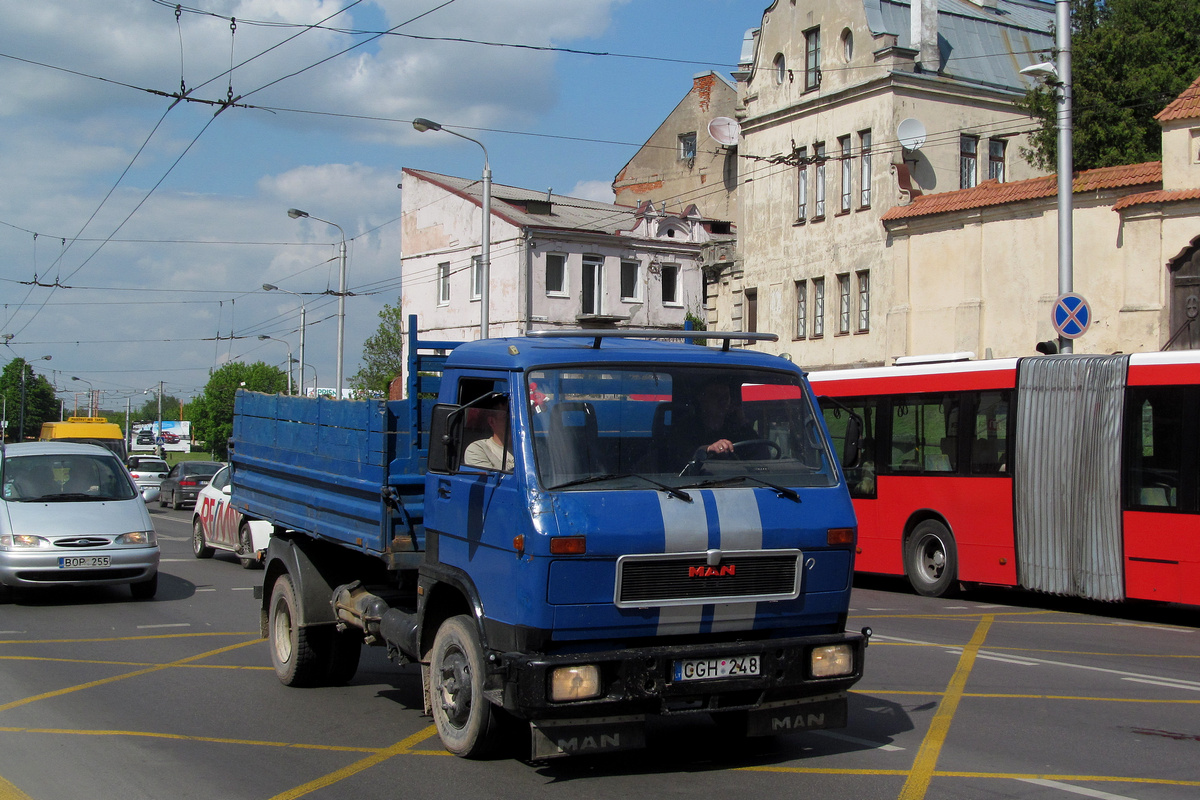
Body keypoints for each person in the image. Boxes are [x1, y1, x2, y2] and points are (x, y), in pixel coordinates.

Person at [671, 380, 756, 467]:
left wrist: (742, 420)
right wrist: (707, 449)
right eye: (715, 395)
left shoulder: (739, 429)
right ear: (702, 398)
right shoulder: (686, 429)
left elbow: (760, 452)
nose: (722, 401)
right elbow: (681, 458)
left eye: (726, 396)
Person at [463, 406, 514, 471]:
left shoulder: (526, 448)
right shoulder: (478, 448)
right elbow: (489, 479)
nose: (512, 422)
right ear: (492, 421)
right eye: (507, 417)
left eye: (515, 418)